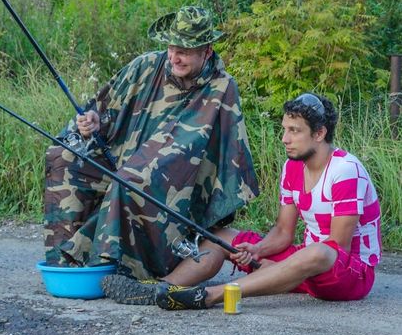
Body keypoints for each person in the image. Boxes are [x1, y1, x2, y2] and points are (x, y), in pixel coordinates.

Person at [44, 6, 259, 287]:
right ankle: (65, 262)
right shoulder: (145, 66)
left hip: (174, 177)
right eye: (171, 47)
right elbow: (102, 112)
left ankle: (111, 268)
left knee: (132, 178)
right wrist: (93, 123)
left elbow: (217, 151)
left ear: (206, 50)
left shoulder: (222, 87)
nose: (174, 56)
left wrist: (144, 163)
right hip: (119, 157)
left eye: (184, 50)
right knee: (62, 156)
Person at [150, 93, 381, 310]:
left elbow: (338, 246)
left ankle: (212, 295)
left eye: (294, 131)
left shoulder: (345, 170)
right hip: (304, 264)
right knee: (222, 237)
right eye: (284, 129)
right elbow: (283, 231)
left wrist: (282, 267)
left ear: (319, 134)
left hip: (349, 273)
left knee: (318, 252)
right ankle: (162, 289)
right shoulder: (292, 166)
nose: (285, 139)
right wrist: (258, 250)